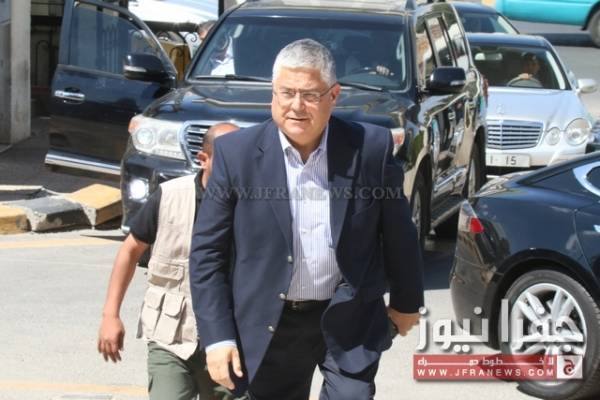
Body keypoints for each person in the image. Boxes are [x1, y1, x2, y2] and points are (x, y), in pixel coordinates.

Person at [189, 38, 424, 400]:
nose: (296, 106)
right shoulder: (236, 155)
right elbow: (207, 254)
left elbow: (399, 234)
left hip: (347, 317)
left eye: (310, 95)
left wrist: (407, 301)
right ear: (273, 93)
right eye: (287, 93)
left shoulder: (369, 149)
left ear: (334, 95)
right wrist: (218, 338)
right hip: (269, 322)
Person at [97, 122, 239, 400]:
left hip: (229, 340)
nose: (236, 168)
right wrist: (110, 315)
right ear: (203, 159)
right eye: (228, 160)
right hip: (171, 336)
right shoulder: (170, 196)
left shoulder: (253, 203)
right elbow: (130, 251)